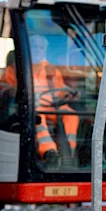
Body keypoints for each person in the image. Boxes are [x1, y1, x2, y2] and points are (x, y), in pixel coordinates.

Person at [29, 34, 80, 166]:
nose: (38, 50)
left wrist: (70, 92)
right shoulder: (19, 68)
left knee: (71, 115)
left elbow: (60, 88)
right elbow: (2, 87)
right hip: (31, 108)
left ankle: (68, 153)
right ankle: (49, 152)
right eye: (35, 47)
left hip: (51, 107)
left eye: (41, 47)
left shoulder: (51, 69)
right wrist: (12, 90)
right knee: (38, 117)